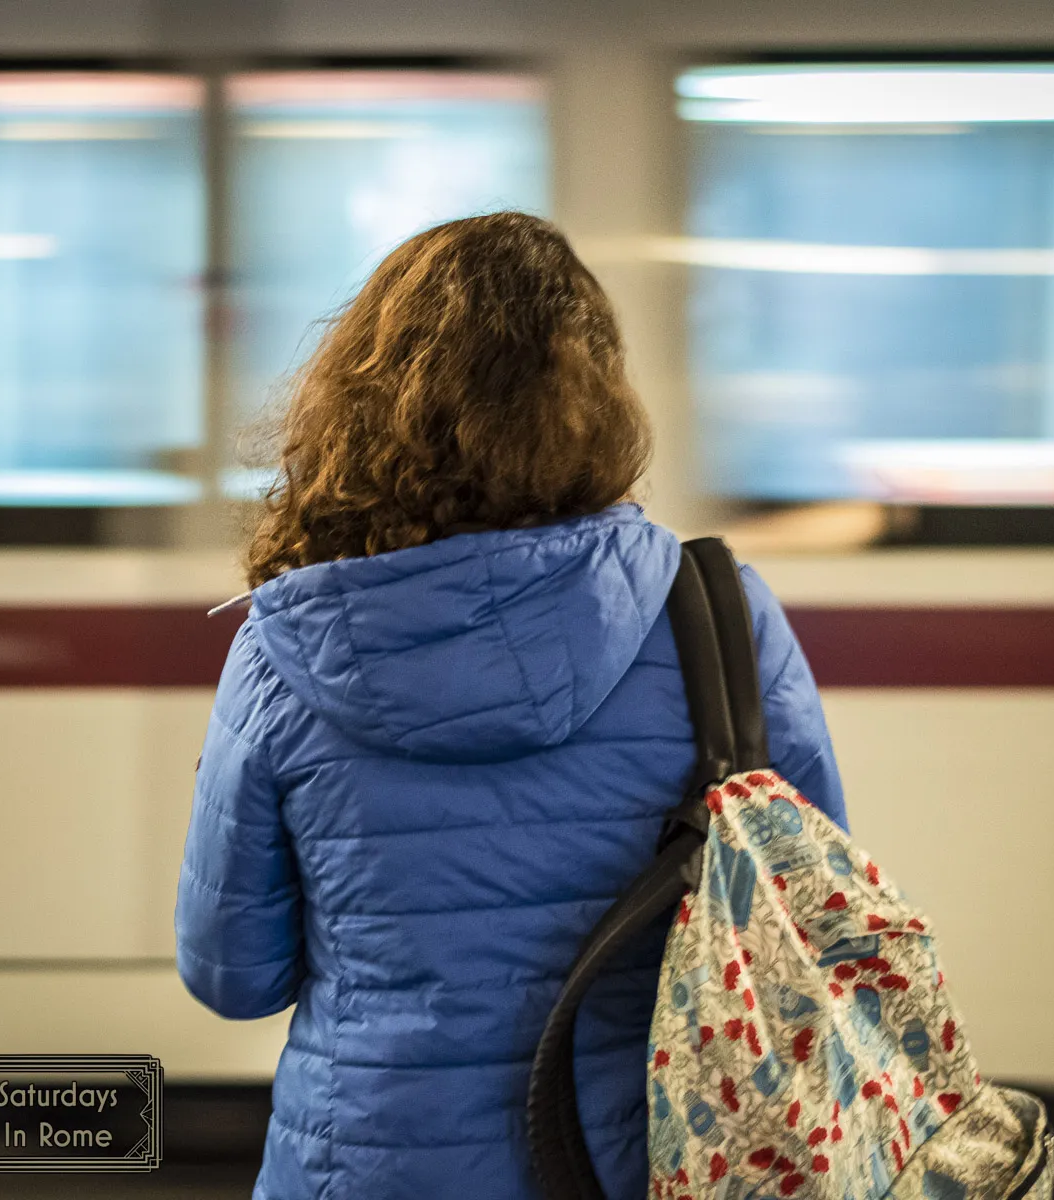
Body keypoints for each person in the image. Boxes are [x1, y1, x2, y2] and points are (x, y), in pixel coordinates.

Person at [175, 210, 846, 1200]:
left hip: (364, 1167)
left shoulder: (284, 651)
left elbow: (233, 977)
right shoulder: (717, 616)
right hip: (636, 1165)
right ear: (600, 403)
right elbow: (809, 922)